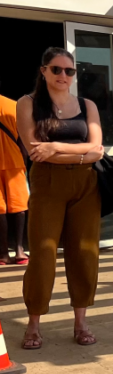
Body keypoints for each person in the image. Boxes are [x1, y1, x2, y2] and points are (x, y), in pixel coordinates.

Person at [17, 47, 105, 349]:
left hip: (86, 184)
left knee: (84, 253)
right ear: (44, 71)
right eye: (56, 69)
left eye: (69, 71)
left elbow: (97, 146)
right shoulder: (27, 104)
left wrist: (55, 147)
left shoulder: (86, 104)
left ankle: (81, 322)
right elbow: (35, 152)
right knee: (42, 254)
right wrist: (81, 154)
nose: (63, 76)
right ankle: (33, 323)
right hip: (48, 184)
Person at [1, 86, 28, 266]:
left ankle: (2, 254)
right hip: (14, 163)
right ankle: (19, 250)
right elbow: (24, 140)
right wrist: (24, 163)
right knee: (18, 207)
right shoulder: (14, 106)